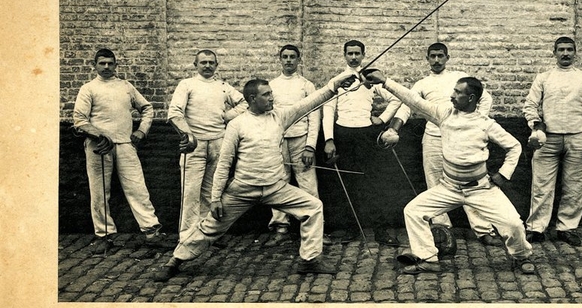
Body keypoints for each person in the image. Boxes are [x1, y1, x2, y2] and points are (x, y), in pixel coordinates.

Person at [153, 70, 357, 281]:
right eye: (266, 94)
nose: (272, 98)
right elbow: (224, 164)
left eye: (271, 93)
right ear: (252, 99)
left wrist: (335, 84)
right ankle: (175, 261)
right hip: (242, 190)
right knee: (210, 227)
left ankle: (310, 260)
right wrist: (215, 199)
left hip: (276, 188)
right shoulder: (237, 124)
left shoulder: (280, 116)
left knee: (313, 207)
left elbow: (309, 102)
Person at [362, 70, 534, 275]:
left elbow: (514, 146)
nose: (451, 95)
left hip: (481, 189)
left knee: (513, 223)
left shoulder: (486, 124)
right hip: (449, 188)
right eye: (453, 90)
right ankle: (428, 258)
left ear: (471, 98)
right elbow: (414, 100)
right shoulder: (443, 114)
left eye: (458, 92)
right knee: (413, 211)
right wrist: (386, 81)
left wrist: (503, 174)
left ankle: (521, 257)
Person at [385, 42, 501, 246]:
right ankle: (442, 231)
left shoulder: (459, 79)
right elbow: (407, 106)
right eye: (433, 56)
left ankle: (483, 230)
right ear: (427, 59)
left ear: (448, 57)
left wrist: (473, 121)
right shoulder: (422, 83)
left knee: (470, 183)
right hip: (433, 137)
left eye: (440, 56)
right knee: (435, 182)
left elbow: (486, 98)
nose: (437, 60)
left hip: (461, 138)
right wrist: (394, 128)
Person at [73, 48, 168, 252]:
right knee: (99, 192)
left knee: (137, 189)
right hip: (98, 147)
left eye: (110, 63)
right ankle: (104, 235)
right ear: (95, 65)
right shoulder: (88, 88)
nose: (106, 67)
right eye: (102, 63)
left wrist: (142, 131)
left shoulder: (126, 86)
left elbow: (147, 108)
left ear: (116, 65)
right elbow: (80, 120)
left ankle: (152, 233)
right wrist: (99, 135)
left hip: (125, 144)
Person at [322, 40, 403, 246]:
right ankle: (351, 229)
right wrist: (329, 139)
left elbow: (396, 99)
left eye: (357, 53)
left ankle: (381, 231)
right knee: (349, 184)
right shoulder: (337, 81)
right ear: (344, 55)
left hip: (366, 135)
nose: (354, 57)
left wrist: (382, 119)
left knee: (373, 183)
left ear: (364, 55)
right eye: (350, 53)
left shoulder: (370, 79)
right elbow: (328, 111)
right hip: (343, 134)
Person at [522, 36, 582, 247]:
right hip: (547, 139)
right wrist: (536, 125)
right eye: (561, 50)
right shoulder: (544, 78)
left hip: (578, 137)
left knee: (574, 186)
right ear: (554, 52)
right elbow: (530, 105)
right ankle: (536, 228)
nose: (565, 54)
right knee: (541, 185)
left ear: (575, 52)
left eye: (569, 50)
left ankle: (566, 227)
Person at [167, 49, 247, 243]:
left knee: (211, 192)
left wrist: (227, 117)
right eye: (203, 62)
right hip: (194, 146)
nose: (208, 66)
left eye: (211, 62)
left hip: (218, 143)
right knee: (190, 194)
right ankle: (186, 238)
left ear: (216, 65)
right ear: (195, 65)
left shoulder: (222, 86)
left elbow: (244, 103)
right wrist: (188, 134)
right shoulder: (187, 84)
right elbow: (174, 113)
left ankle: (206, 234)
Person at [262, 44, 327, 247]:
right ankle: (280, 227)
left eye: (293, 57)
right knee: (278, 182)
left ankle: (315, 229)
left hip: (301, 140)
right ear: (279, 59)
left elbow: (314, 118)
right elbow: (268, 116)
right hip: (278, 141)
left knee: (308, 185)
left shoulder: (307, 85)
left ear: (299, 60)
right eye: (285, 57)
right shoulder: (271, 85)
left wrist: (310, 146)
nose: (289, 60)